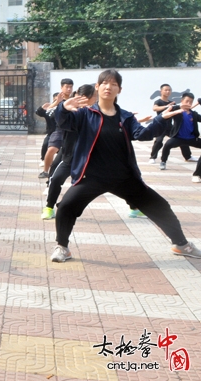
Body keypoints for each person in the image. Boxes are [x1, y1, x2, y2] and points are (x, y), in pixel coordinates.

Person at [50, 69, 201, 262]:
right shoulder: (84, 114)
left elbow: (142, 134)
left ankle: (181, 245)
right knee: (66, 206)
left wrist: (160, 119)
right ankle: (62, 248)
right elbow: (63, 122)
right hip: (92, 177)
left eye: (113, 84)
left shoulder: (125, 117)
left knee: (160, 206)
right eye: (105, 83)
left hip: (124, 177)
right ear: (97, 87)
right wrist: (63, 107)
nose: (108, 87)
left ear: (119, 89)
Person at [41, 85, 95, 220]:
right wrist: (63, 107)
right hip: (69, 155)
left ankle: (135, 206)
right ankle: (49, 207)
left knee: (86, 186)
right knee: (56, 179)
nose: (84, 100)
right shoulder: (69, 111)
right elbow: (57, 117)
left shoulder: (96, 113)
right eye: (81, 97)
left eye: (89, 97)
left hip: (89, 158)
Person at [149, 84, 194, 164]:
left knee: (182, 139)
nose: (168, 91)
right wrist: (167, 107)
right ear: (161, 91)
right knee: (159, 141)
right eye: (166, 90)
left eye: (169, 90)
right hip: (160, 126)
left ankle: (188, 156)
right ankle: (152, 157)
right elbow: (155, 108)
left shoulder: (171, 103)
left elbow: (181, 109)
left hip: (170, 127)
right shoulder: (158, 101)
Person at [159, 93, 201, 179]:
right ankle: (163, 161)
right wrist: (178, 109)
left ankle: (197, 174)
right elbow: (165, 114)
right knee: (167, 145)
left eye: (191, 102)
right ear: (182, 101)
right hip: (178, 138)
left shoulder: (194, 114)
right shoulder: (177, 111)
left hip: (192, 139)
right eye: (187, 101)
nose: (189, 104)